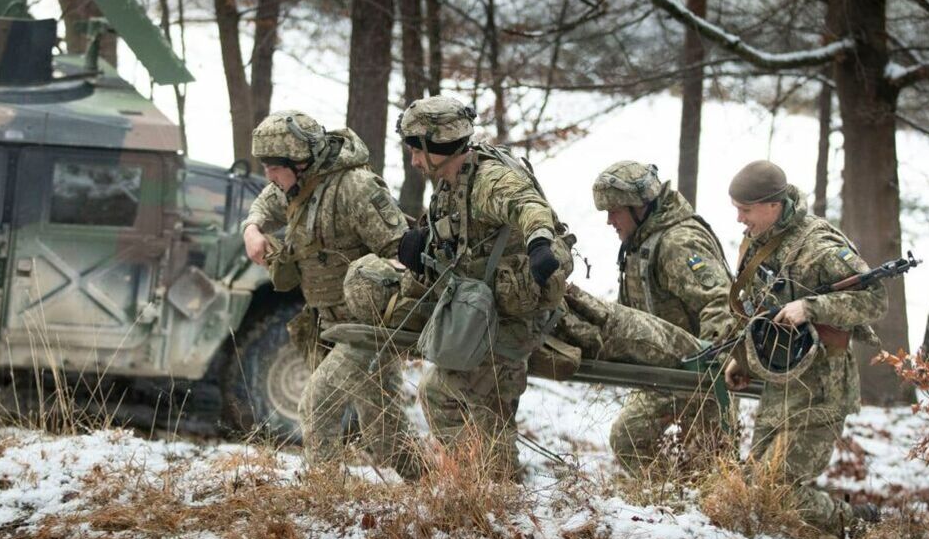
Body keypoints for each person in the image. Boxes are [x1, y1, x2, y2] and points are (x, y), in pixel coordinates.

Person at [393, 95, 571, 478]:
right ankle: (496, 495)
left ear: (434, 145)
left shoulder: (489, 180)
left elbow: (528, 205)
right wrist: (422, 242)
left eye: (415, 151)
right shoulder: (450, 182)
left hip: (507, 322)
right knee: (492, 423)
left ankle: (480, 487)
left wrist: (540, 241)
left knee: (439, 393)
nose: (414, 161)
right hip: (484, 315)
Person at [241, 110, 418, 478]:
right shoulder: (296, 187)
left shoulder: (357, 189)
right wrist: (252, 228)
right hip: (328, 325)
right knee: (386, 435)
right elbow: (266, 202)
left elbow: (403, 255)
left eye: (274, 167)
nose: (269, 177)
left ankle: (325, 495)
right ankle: (433, 487)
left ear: (300, 162)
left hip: (365, 328)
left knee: (317, 404)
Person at [722, 160, 884, 532]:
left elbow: (875, 300)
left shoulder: (820, 246)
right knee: (752, 485)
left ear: (772, 206)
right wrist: (742, 362)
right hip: (781, 377)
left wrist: (811, 307)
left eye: (745, 211)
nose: (739, 220)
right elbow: (758, 307)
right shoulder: (760, 243)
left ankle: (858, 526)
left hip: (822, 383)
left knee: (776, 485)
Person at [591, 161, 734, 474]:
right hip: (663, 371)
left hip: (697, 374)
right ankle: (666, 506)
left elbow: (720, 302)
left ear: (639, 207)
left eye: (614, 211)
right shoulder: (639, 242)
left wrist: (709, 363)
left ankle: (691, 512)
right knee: (630, 438)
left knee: (711, 468)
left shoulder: (677, 243)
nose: (609, 221)